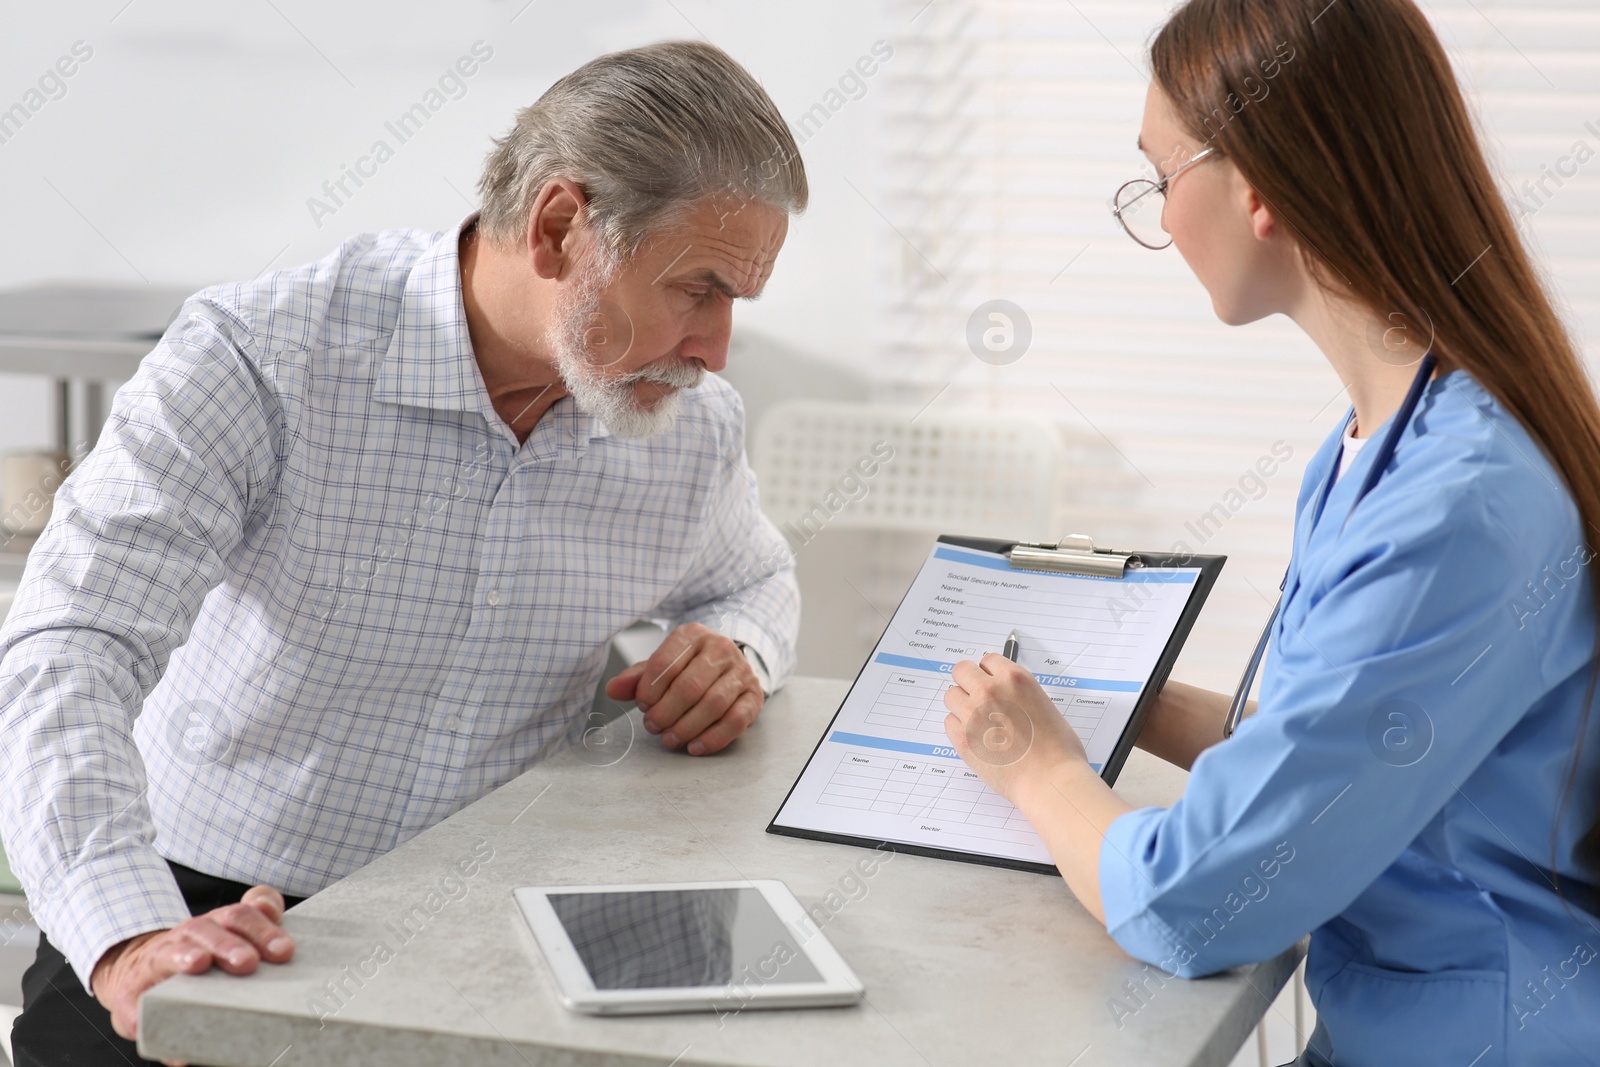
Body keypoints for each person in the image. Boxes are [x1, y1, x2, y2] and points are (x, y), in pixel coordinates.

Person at [0, 40, 805, 1066]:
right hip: (197, 903)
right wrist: (128, 935)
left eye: (738, 299)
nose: (717, 348)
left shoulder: (689, 431)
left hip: (491, 933)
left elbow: (756, 577)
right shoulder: (258, 359)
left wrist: (736, 645)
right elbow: (70, 648)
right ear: (561, 227)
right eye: (698, 289)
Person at [941, 1, 1600, 1063]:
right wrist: (1132, 699)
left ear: (1256, 188)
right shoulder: (1377, 444)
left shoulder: (1456, 505)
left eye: (1158, 177)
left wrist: (1036, 770)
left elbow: (1197, 904)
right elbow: (1337, 744)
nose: (1157, 217)